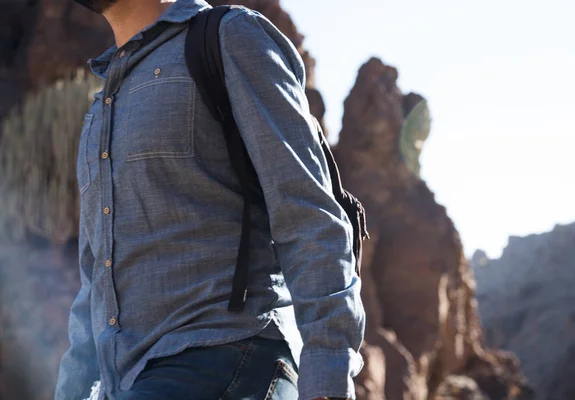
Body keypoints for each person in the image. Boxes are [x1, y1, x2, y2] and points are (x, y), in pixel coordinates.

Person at [55, 0, 365, 399]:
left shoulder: (228, 36)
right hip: (135, 382)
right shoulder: (102, 108)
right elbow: (95, 281)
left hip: (229, 353)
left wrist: (328, 370)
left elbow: (307, 209)